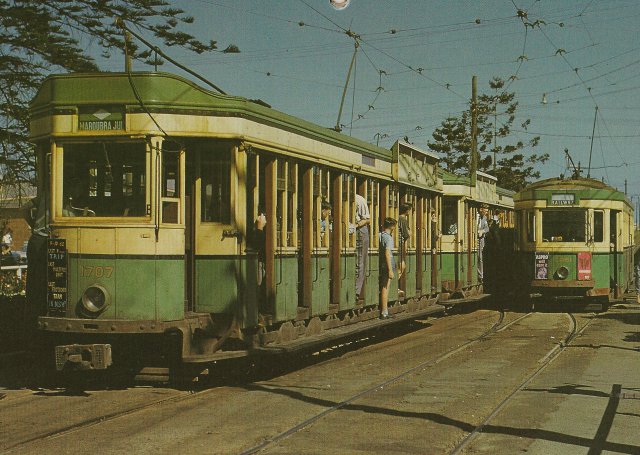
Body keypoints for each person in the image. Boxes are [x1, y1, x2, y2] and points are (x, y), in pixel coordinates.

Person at [379, 217, 397, 319]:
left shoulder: (380, 235)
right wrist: (390, 270)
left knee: (384, 286)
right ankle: (384, 312)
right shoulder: (389, 238)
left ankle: (384, 311)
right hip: (388, 263)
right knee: (386, 287)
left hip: (382, 263)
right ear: (392, 227)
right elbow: (387, 253)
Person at [354, 192, 370, 300]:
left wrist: (356, 225)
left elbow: (367, 219)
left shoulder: (359, 199)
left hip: (359, 231)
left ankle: (356, 291)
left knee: (360, 261)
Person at [397, 202, 412, 282]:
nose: (410, 211)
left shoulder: (399, 218)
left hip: (400, 243)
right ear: (406, 210)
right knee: (401, 266)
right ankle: (395, 284)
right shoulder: (402, 219)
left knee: (401, 265)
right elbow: (406, 234)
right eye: (409, 210)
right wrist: (409, 233)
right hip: (400, 244)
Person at [477, 204, 490, 283]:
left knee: (480, 258)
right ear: (481, 209)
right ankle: (479, 274)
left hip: (481, 240)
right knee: (478, 257)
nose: (486, 213)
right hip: (473, 239)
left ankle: (480, 275)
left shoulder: (484, 218)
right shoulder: (475, 216)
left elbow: (487, 228)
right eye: (485, 211)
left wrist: (482, 231)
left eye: (487, 211)